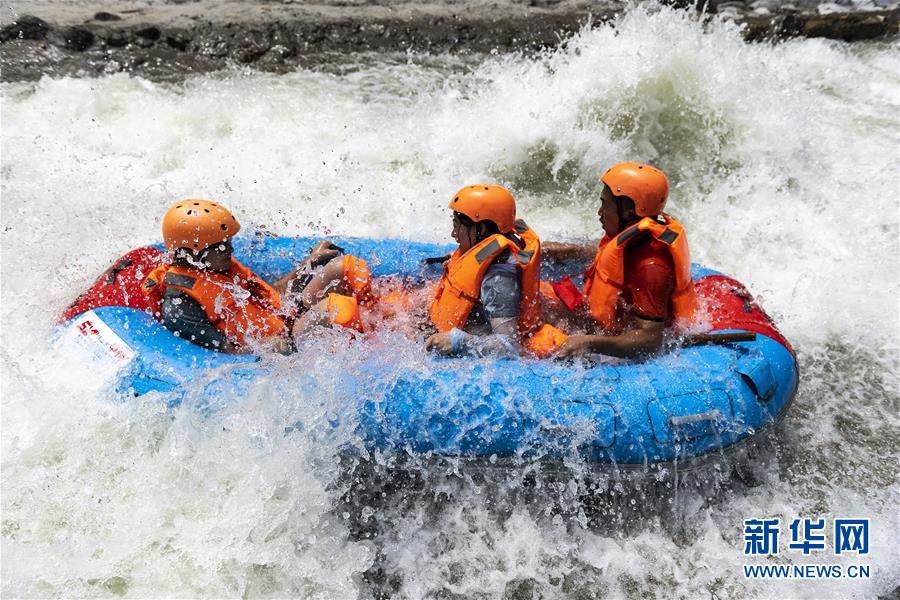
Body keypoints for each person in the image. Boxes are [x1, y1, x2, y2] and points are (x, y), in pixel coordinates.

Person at [142, 199, 371, 353]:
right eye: (221, 246)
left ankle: (381, 313)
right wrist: (270, 347)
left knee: (343, 267)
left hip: (286, 317)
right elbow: (224, 350)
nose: (230, 250)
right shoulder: (180, 304)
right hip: (283, 344)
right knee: (337, 309)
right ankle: (375, 343)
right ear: (192, 252)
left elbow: (266, 294)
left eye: (228, 242)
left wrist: (307, 266)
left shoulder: (218, 266)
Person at [540, 162, 697, 358]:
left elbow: (650, 341)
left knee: (537, 314)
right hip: (610, 316)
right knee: (537, 294)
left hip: (620, 332)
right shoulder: (635, 235)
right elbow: (619, 257)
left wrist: (587, 343)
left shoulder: (652, 268)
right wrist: (574, 251)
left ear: (629, 213)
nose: (599, 212)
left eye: (605, 205)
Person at [424, 184, 552, 357]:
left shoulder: (499, 278)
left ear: (482, 229)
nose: (453, 234)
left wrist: (458, 342)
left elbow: (509, 346)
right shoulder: (489, 247)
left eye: (458, 226)